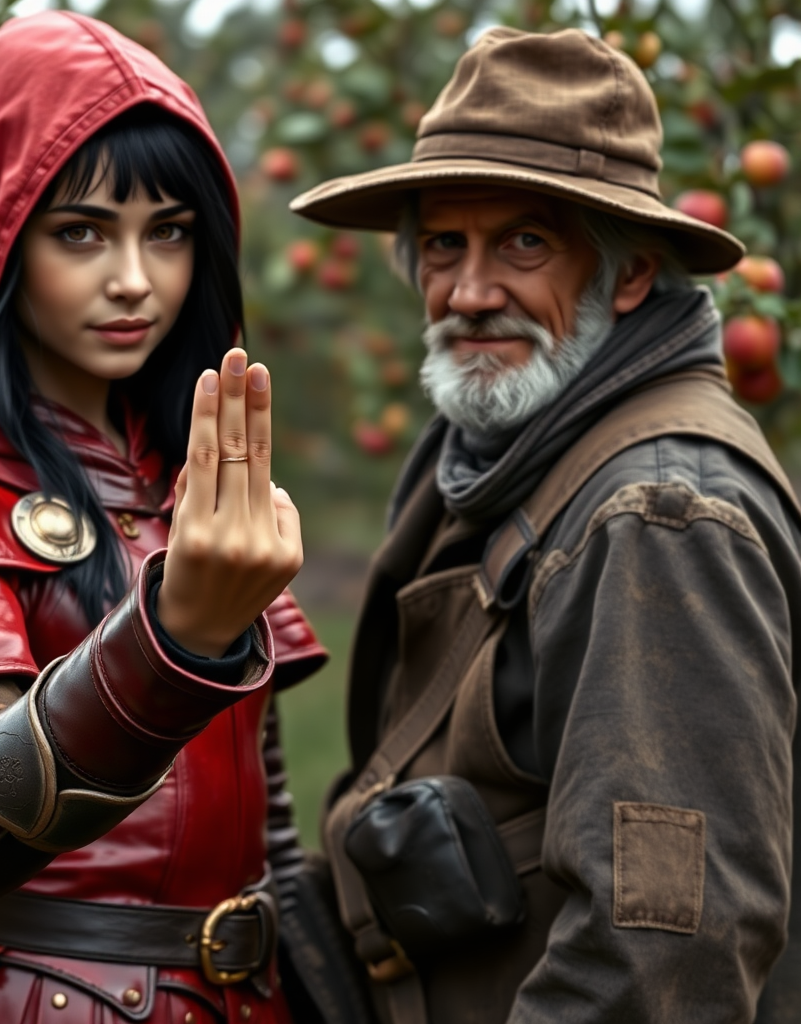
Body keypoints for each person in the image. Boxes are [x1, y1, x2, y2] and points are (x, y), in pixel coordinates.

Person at [0, 12, 329, 1024]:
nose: (134, 279)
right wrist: (171, 640)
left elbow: (262, 816)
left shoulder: (181, 474)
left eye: (167, 231)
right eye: (81, 231)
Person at [289, 26, 801, 1024]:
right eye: (445, 244)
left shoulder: (659, 514)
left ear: (630, 273)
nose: (471, 293)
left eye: (525, 241)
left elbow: (659, 954)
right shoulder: (497, 452)